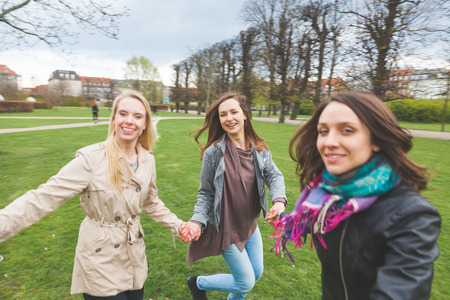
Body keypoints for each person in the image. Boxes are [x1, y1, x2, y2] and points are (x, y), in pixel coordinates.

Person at [0, 89, 187, 299]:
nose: (129, 121)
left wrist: (177, 225)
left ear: (145, 124)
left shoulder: (147, 159)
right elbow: (42, 198)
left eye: (137, 116)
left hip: (134, 255)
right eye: (123, 113)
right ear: (114, 118)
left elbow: (151, 202)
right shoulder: (91, 159)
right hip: (99, 258)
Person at [271, 91, 441, 299]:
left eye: (347, 130)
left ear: (375, 139)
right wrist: (282, 216)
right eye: (323, 131)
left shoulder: (413, 216)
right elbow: (327, 222)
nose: (329, 142)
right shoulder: (330, 199)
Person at [180, 92, 287, 300]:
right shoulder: (214, 153)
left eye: (233, 112)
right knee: (245, 281)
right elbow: (206, 193)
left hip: (249, 224)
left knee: (256, 274)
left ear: (245, 114)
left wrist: (279, 202)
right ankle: (198, 283)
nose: (229, 118)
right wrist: (196, 221)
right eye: (223, 114)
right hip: (226, 228)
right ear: (219, 120)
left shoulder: (259, 148)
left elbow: (274, 175)